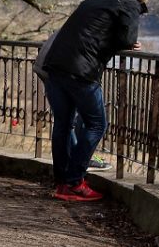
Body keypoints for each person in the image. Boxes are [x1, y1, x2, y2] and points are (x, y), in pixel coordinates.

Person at [43, 0, 148, 201]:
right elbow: (126, 37)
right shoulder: (129, 3)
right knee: (97, 123)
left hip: (55, 64)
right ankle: (74, 182)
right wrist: (131, 43)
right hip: (81, 70)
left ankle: (62, 183)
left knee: (63, 123)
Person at [33, 31, 111, 174]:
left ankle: (68, 168)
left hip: (49, 65)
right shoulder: (96, 24)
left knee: (66, 121)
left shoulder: (83, 19)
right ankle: (76, 164)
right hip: (61, 69)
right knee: (84, 121)